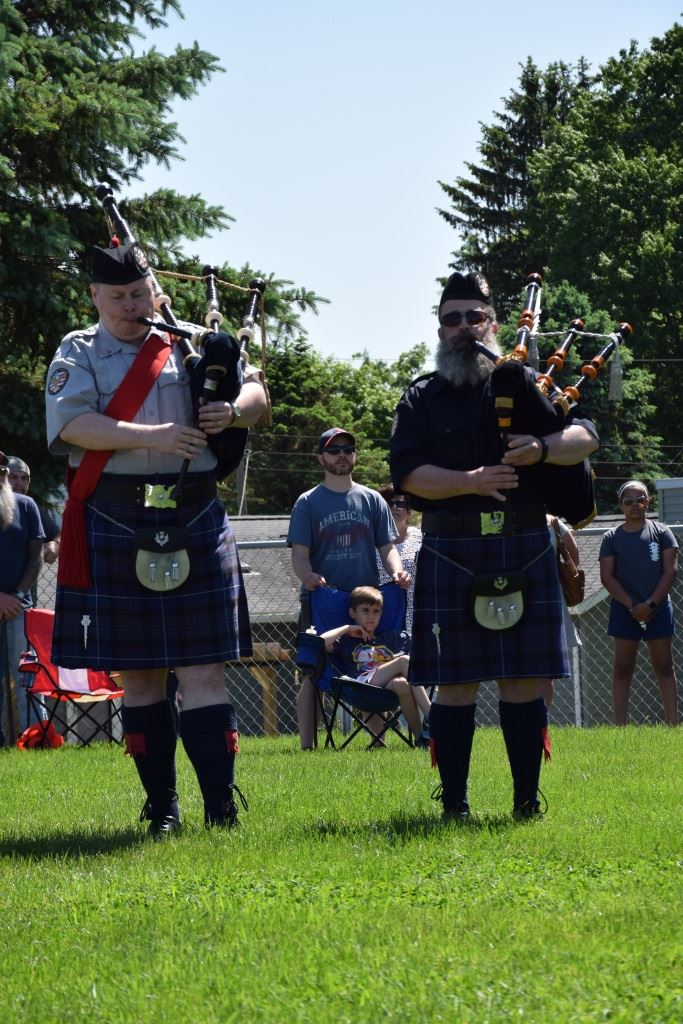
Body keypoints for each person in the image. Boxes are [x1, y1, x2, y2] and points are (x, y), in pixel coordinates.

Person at [45, 240, 267, 837]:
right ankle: (162, 808)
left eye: (138, 294)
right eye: (117, 297)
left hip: (194, 512)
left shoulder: (190, 340)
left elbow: (258, 396)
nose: (130, 306)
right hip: (117, 515)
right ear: (94, 296)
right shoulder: (79, 350)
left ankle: (220, 807)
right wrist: (162, 433)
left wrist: (234, 412)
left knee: (204, 670)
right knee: (140, 675)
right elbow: (73, 425)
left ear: (155, 290)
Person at [390, 270, 599, 819]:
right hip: (451, 549)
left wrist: (544, 446)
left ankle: (526, 802)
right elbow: (408, 474)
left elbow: (586, 436)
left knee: (522, 680)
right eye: (451, 319)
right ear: (439, 328)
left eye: (473, 318)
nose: (463, 329)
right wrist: (473, 481)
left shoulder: (531, 384)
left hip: (523, 543)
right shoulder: (422, 398)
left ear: (494, 324)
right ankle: (454, 804)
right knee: (455, 683)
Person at [288, 427, 411, 749]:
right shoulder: (307, 502)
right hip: (322, 600)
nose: (342, 454)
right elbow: (299, 555)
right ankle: (306, 748)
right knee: (312, 673)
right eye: (334, 450)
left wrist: (398, 573)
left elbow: (388, 548)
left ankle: (377, 739)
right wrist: (308, 577)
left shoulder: (371, 499)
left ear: (354, 455)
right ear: (321, 458)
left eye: (347, 448)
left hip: (365, 602)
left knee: (369, 662)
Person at [599, 480, 679, 726]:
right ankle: (620, 727)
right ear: (621, 506)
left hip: (658, 608)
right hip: (625, 611)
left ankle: (673, 725)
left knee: (664, 665)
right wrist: (632, 606)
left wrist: (651, 604)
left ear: (649, 502)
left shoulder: (662, 532)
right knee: (623, 667)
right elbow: (607, 576)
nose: (635, 505)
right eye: (629, 501)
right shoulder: (611, 537)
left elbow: (670, 571)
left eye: (640, 500)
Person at [321, 585, 431, 741]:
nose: (371, 616)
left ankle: (421, 738)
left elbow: (423, 642)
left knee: (402, 684)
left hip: (385, 686)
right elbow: (320, 643)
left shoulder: (388, 638)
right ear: (353, 612)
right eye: (365, 610)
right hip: (362, 685)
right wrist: (347, 628)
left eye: (376, 611)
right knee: (404, 661)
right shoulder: (346, 641)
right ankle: (431, 715)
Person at [0, 451, 45, 744]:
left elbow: (36, 554)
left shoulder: (27, 505)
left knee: (27, 678)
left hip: (19, 608)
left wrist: (16, 595)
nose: (3, 474)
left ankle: (34, 739)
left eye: (3, 469)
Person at [540, 514, 582, 707]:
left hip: (549, 601)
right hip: (512, 599)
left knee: (545, 671)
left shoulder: (554, 523)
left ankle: (541, 724)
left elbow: (573, 560)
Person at [7, 456, 61, 603]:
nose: (19, 484)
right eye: (13, 477)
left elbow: (58, 533)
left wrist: (55, 544)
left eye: (24, 478)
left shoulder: (29, 507)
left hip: (22, 602)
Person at [376, 485, 422, 633]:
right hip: (379, 612)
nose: (394, 507)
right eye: (389, 504)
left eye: (400, 504)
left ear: (409, 512)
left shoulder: (422, 538)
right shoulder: (370, 540)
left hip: (416, 610)